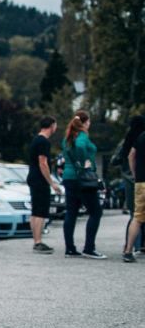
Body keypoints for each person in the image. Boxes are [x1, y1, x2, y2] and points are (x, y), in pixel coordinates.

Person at [60, 110, 105, 259]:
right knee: (95, 212)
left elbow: (68, 152)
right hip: (83, 179)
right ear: (86, 122)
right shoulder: (82, 135)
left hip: (68, 177)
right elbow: (79, 146)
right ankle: (89, 247)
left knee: (71, 213)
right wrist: (83, 163)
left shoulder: (66, 137)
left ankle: (70, 248)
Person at [27, 115, 63, 253]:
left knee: (35, 210)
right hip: (40, 179)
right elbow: (42, 163)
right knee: (41, 211)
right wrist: (52, 183)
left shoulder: (36, 139)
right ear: (52, 125)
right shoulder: (44, 141)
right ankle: (38, 242)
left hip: (33, 177)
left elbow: (41, 161)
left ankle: (36, 240)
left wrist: (51, 162)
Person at [122, 116, 145, 263]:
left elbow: (131, 155)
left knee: (137, 218)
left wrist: (135, 173)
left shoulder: (141, 136)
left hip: (141, 182)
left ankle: (128, 251)